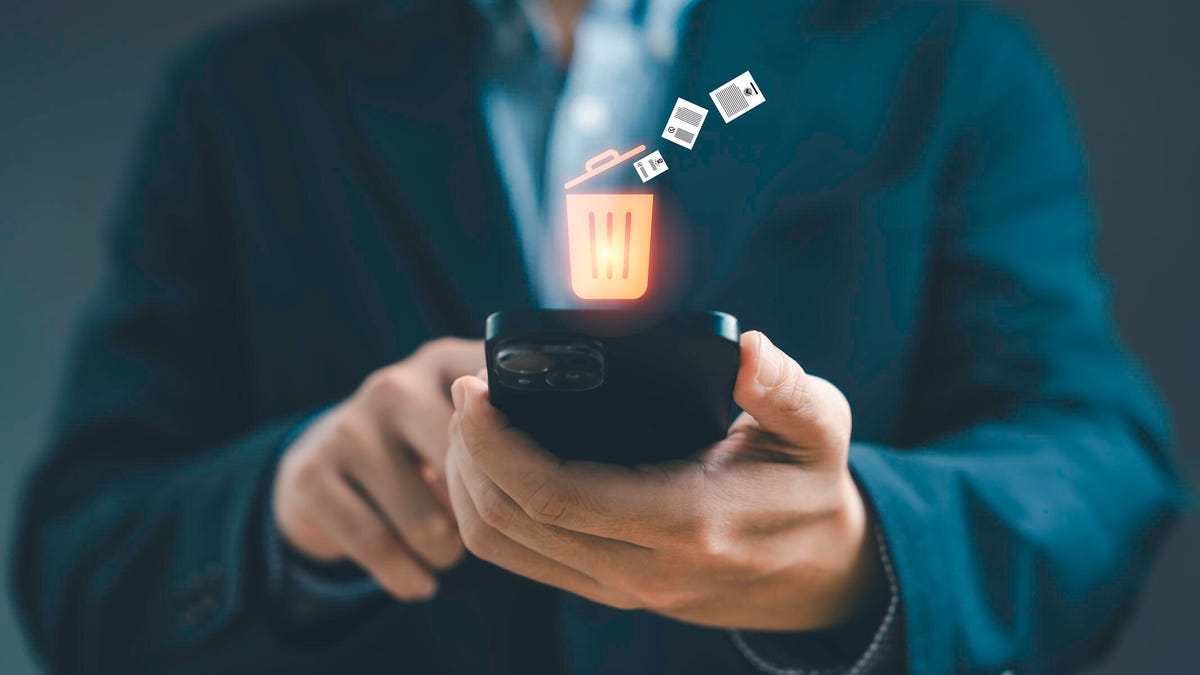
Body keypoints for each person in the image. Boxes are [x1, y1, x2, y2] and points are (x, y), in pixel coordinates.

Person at [10, 0, 1185, 673]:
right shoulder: (249, 94)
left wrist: (858, 548)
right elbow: (76, 564)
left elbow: (1100, 473)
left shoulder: (944, 63)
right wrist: (281, 511)